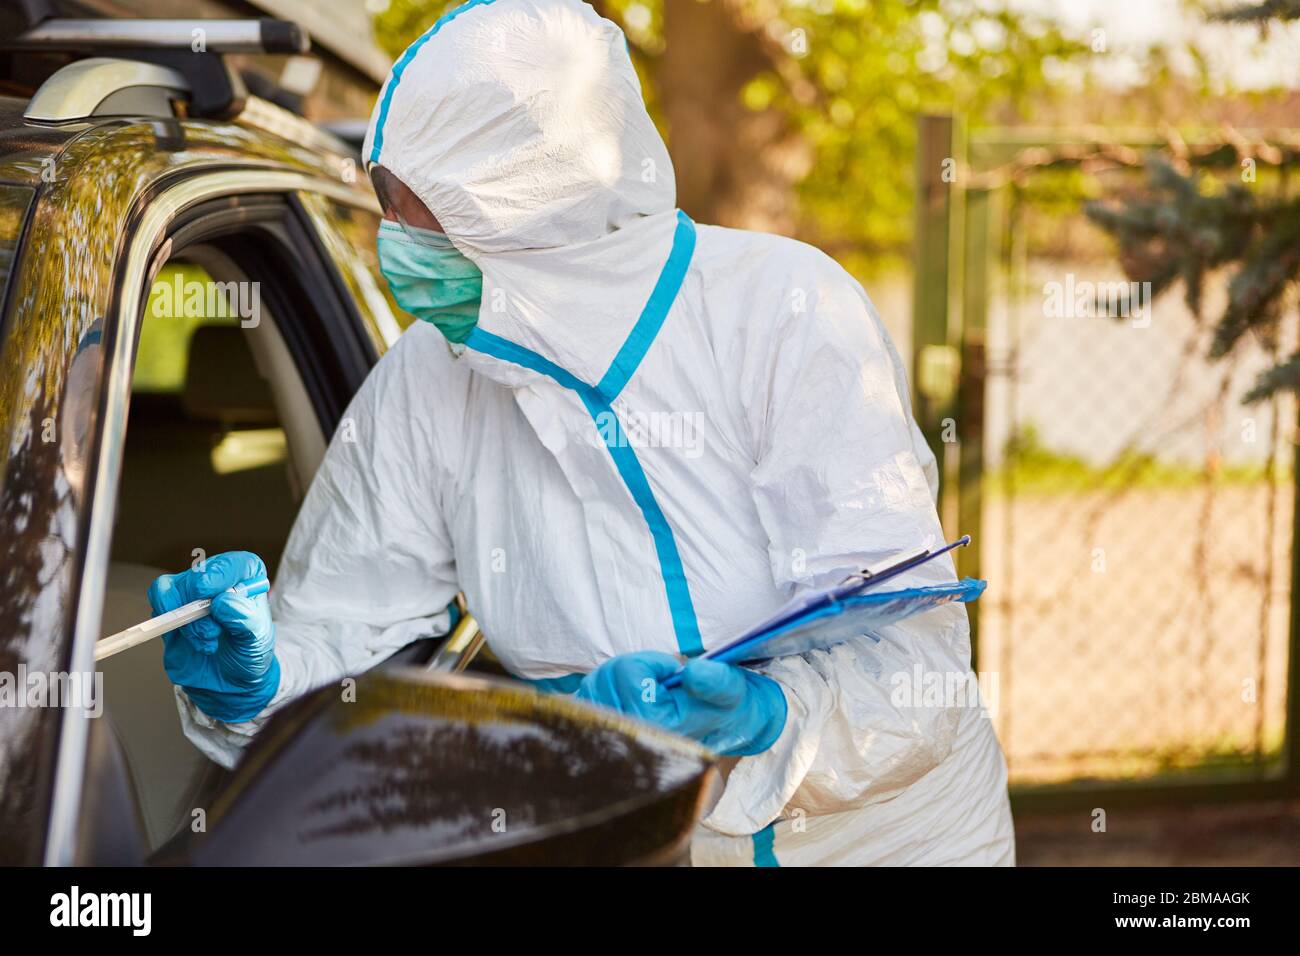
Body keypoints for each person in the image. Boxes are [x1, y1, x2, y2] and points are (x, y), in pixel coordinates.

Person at [149, 0, 1015, 866]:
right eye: (388, 205)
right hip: (636, 839)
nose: (395, 244)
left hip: (892, 843)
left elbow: (918, 669)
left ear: (523, 213)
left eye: (423, 215)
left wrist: (770, 717)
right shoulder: (425, 380)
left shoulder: (784, 313)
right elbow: (345, 629)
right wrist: (257, 683)